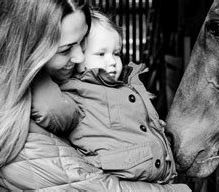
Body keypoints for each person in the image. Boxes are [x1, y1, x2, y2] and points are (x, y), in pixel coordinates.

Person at [0, 0, 190, 191]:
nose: (78, 58)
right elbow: (90, 186)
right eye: (65, 49)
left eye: (81, 44)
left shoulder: (56, 93)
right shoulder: (8, 124)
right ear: (26, 50)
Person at [31, 9, 178, 184]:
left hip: (154, 176)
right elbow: (52, 110)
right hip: (118, 179)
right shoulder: (76, 92)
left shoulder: (124, 87)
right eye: (101, 54)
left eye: (116, 53)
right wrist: (35, 75)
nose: (112, 61)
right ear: (78, 57)